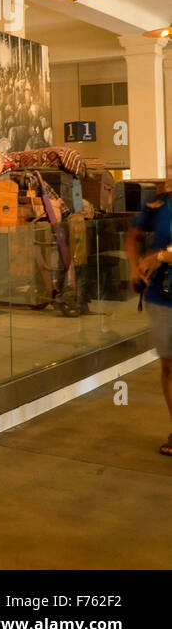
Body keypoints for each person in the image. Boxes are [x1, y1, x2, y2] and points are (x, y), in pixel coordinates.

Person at [125, 189, 172, 457]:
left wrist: (162, 257)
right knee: (168, 365)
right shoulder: (158, 202)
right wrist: (134, 269)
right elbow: (133, 237)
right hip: (161, 296)